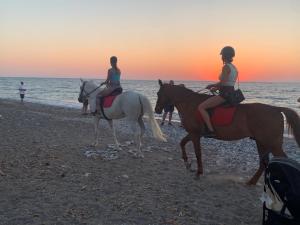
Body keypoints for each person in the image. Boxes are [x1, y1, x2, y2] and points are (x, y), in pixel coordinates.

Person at [198, 46, 238, 137]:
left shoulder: (226, 67)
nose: (221, 57)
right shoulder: (234, 68)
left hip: (224, 94)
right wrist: (215, 88)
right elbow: (228, 83)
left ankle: (210, 130)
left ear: (224, 56)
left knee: (201, 107)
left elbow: (223, 82)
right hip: (231, 92)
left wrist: (212, 85)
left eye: (222, 55)